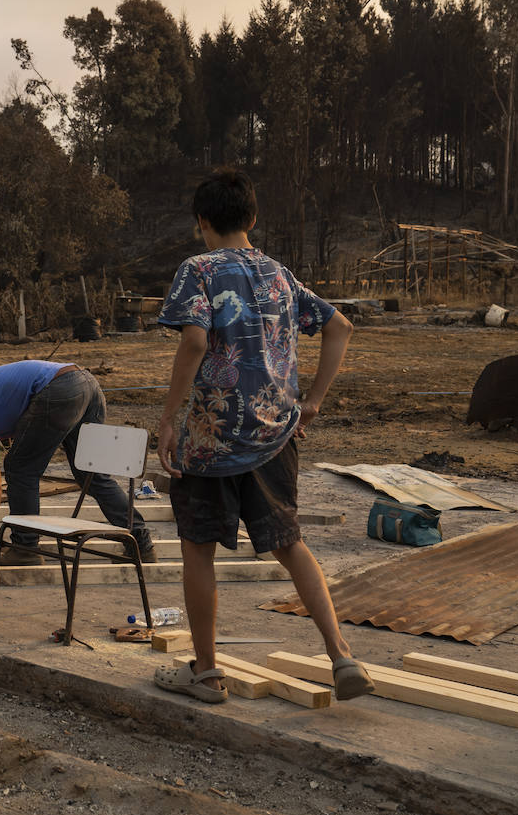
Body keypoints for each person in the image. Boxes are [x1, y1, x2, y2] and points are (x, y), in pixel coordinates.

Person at [153, 168, 373, 704]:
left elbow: (195, 342)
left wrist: (167, 418)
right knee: (290, 544)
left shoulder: (197, 269)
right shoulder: (278, 274)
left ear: (202, 222)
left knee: (198, 549)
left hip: (211, 441)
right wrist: (313, 400)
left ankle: (206, 673)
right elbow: (340, 327)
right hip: (276, 435)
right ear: (252, 218)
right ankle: (342, 655)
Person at [0, 360, 155, 566]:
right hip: (85, 385)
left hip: (59, 388)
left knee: (21, 469)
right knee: (91, 474)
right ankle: (141, 544)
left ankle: (25, 548)